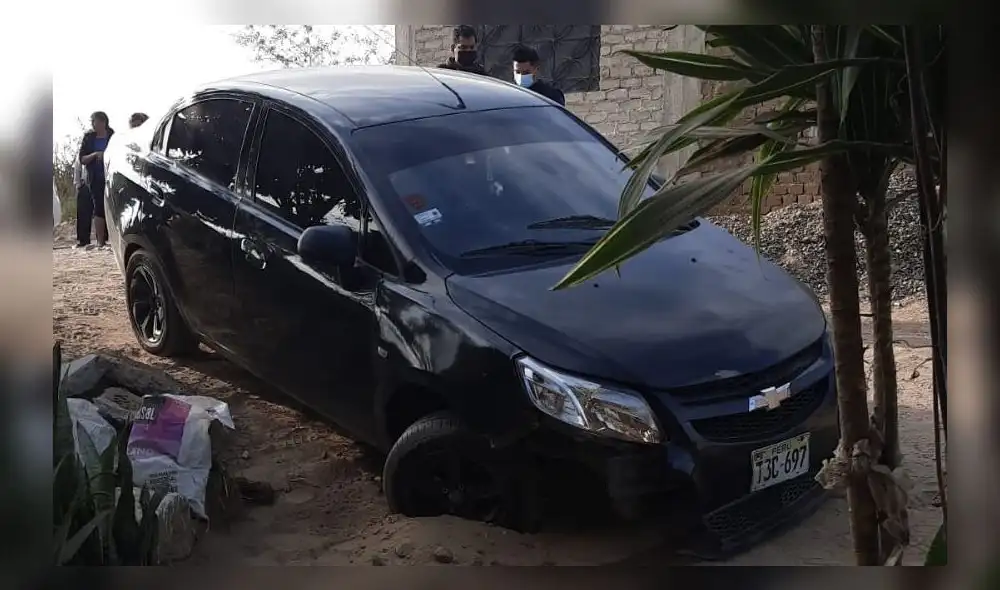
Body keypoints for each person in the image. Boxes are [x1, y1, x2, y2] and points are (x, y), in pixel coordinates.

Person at [79, 111, 114, 248]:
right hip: (95, 178)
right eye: (92, 122)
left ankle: (115, 240)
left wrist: (106, 156)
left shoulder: (113, 136)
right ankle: (100, 241)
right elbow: (82, 159)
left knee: (113, 207)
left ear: (103, 122)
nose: (93, 125)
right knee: (98, 207)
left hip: (111, 176)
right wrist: (94, 155)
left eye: (95, 122)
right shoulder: (88, 138)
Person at [72, 143, 92, 248]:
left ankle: (102, 240)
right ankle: (83, 240)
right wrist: (79, 186)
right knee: (83, 214)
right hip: (84, 186)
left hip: (97, 184)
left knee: (100, 213)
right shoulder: (81, 154)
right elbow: (77, 169)